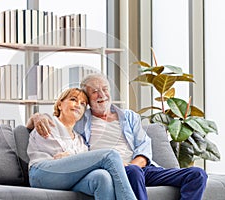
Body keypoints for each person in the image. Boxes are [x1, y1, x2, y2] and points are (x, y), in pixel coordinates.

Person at [27, 73, 208, 200]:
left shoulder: (129, 117)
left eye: (104, 89)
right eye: (94, 92)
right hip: (119, 170)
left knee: (197, 174)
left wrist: (134, 164)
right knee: (129, 172)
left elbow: (144, 145)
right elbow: (61, 118)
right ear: (89, 100)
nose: (101, 94)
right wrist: (37, 117)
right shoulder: (82, 119)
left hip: (141, 168)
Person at [27, 87, 137, 200]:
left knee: (102, 177)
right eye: (73, 99)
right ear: (60, 105)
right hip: (42, 173)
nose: (78, 105)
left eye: (83, 104)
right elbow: (57, 156)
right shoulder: (47, 122)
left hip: (68, 179)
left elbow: (78, 164)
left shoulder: (80, 140)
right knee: (110, 155)